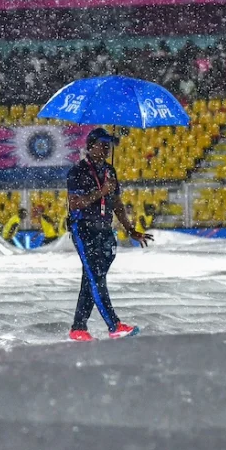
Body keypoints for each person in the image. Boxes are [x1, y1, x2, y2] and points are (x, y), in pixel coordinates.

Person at [65, 128, 150, 342]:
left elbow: (117, 205)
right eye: (102, 143)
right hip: (83, 228)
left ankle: (78, 328)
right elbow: (75, 204)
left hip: (105, 229)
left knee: (93, 279)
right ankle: (114, 325)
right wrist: (101, 192)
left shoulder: (110, 172)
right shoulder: (78, 171)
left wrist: (131, 230)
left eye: (108, 144)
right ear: (90, 146)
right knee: (95, 278)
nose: (105, 148)